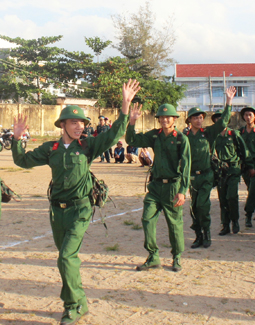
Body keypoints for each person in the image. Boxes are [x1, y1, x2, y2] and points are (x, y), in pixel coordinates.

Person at [11, 79, 140, 325]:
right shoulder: (52, 149)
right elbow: (22, 162)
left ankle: (72, 307)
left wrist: (125, 104)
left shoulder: (88, 146)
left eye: (82, 122)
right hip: (56, 212)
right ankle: (80, 301)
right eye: (74, 122)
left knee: (66, 258)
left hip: (80, 209)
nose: (79, 126)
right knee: (66, 259)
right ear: (63, 125)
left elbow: (114, 134)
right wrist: (17, 140)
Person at [126, 103, 191, 272]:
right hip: (155, 186)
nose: (164, 120)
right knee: (147, 219)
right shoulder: (155, 136)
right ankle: (153, 256)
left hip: (172, 187)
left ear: (175, 119)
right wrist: (132, 122)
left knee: (174, 224)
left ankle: (176, 257)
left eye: (167, 117)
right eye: (161, 117)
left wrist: (182, 191)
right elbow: (132, 140)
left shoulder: (181, 139)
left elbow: (186, 166)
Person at [184, 86, 235, 249]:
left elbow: (224, 121)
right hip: (192, 178)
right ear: (189, 121)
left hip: (206, 176)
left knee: (202, 206)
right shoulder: (184, 137)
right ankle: (198, 236)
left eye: (201, 117)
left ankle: (207, 234)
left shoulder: (208, 133)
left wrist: (228, 101)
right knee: (193, 207)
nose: (199, 120)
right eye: (195, 118)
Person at [213, 110, 254, 235]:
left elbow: (244, 150)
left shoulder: (234, 134)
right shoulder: (214, 136)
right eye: (217, 119)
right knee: (223, 199)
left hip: (233, 169)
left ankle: (235, 221)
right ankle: (225, 225)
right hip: (221, 171)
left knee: (231, 196)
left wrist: (249, 166)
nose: (220, 121)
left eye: (222, 119)